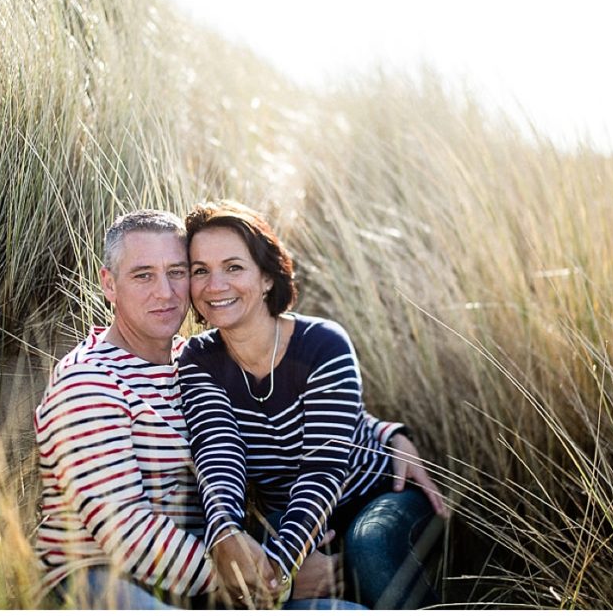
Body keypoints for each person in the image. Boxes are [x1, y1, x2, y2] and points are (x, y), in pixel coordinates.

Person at [34, 209, 393, 609]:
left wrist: (386, 434)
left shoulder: (194, 362)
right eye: (143, 275)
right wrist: (267, 580)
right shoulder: (88, 383)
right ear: (109, 284)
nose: (166, 293)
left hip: (205, 574)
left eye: (178, 272)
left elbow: (306, 413)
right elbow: (125, 532)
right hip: (103, 576)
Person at [178, 200, 450, 610]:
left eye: (234, 267)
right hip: (293, 519)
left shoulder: (323, 344)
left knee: (369, 548)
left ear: (267, 277)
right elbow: (219, 458)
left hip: (377, 494)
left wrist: (281, 565)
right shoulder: (199, 359)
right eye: (201, 270)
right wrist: (226, 535)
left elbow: (323, 470)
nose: (215, 284)